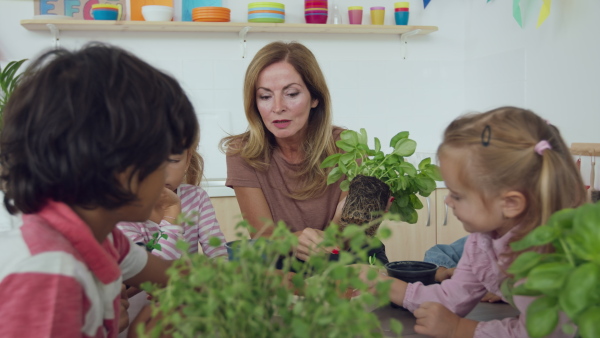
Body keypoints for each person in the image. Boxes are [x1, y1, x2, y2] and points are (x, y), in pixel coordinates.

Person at [0, 43, 198, 337]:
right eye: (162, 159)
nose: (166, 175)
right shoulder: (51, 274)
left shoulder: (103, 238)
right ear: (119, 165)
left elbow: (173, 275)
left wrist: (258, 278)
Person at [359, 107, 586, 337]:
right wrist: (386, 286)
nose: (447, 201)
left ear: (510, 203)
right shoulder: (481, 242)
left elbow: (545, 332)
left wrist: (462, 329)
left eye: (457, 195)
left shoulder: (545, 255)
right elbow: (452, 298)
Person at [220, 41, 348, 261]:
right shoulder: (242, 152)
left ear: (315, 98)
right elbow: (262, 237)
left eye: (291, 94)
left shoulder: (347, 146)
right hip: (281, 266)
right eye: (265, 96)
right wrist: (295, 240)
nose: (278, 107)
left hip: (347, 262)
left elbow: (345, 235)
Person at [117, 139, 227, 338]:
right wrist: (172, 214)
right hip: (137, 314)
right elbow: (149, 276)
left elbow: (218, 255)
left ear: (187, 160)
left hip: (185, 301)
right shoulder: (124, 210)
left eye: (174, 160)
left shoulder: (197, 198)